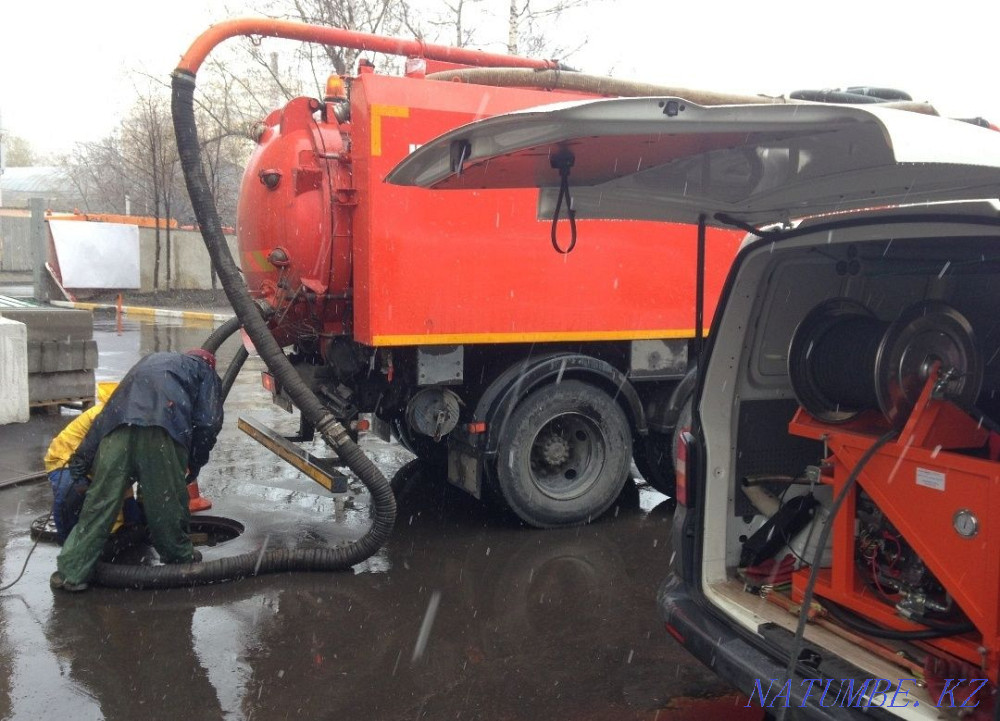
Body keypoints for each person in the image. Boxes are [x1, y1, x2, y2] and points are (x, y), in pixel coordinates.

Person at [50, 349, 224, 592]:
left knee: (99, 503)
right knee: (166, 501)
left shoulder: (150, 362)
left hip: (117, 430)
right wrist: (194, 462)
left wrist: (83, 456)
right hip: (162, 430)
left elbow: (109, 409)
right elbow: (207, 423)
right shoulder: (205, 372)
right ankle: (178, 560)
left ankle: (72, 572)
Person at [44, 381, 119, 541]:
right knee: (70, 493)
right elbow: (92, 449)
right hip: (64, 460)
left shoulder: (118, 416)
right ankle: (68, 541)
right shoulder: (104, 416)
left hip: (87, 463)